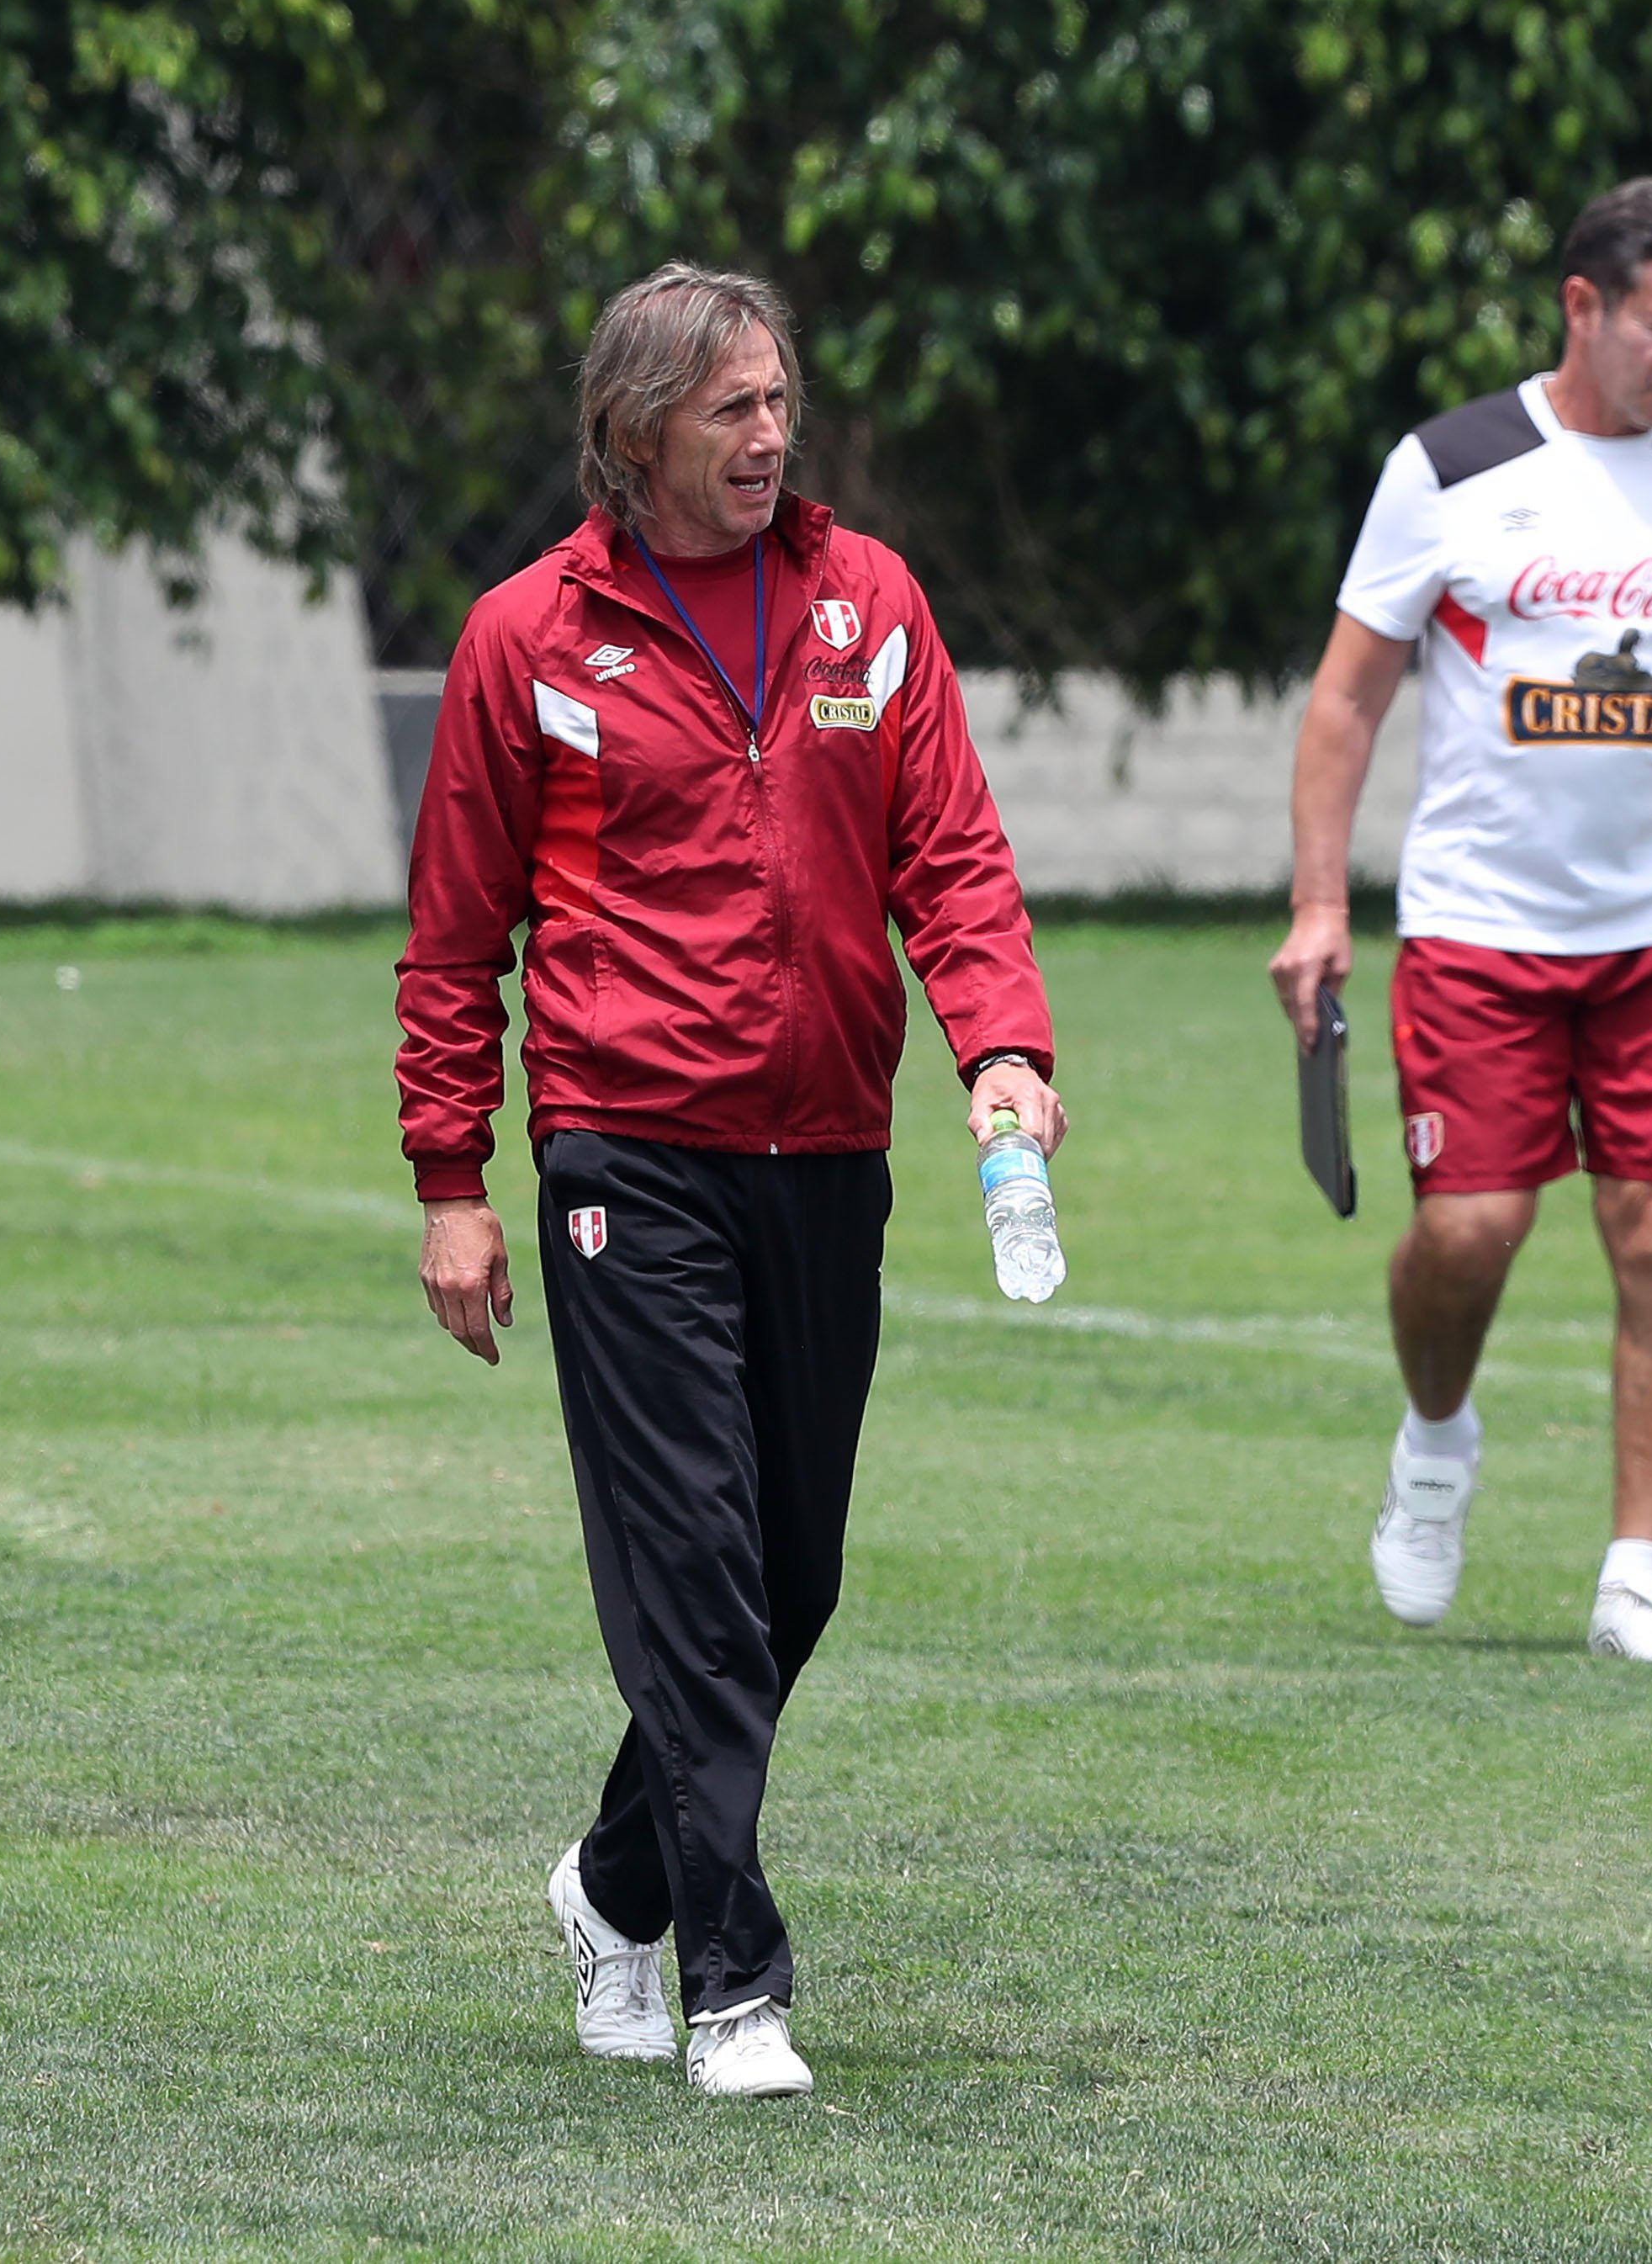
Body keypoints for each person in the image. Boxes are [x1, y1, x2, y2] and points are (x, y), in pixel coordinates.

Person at [397, 262, 1062, 2098]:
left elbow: (955, 860)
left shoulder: (871, 607)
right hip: (626, 1148)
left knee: (790, 1575)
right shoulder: (525, 637)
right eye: (731, 409)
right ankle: (733, 1980)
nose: (771, 435)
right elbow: (455, 943)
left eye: (780, 400)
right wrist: (451, 1176)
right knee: (693, 1563)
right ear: (636, 433)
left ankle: (610, 1883)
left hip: (828, 1149)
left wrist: (1001, 1043)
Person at [1267, 178, 1652, 1662]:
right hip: (1478, 926)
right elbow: (1346, 696)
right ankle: (1437, 1438)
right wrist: (1320, 900)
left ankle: (1638, 1574)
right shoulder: (1449, 466)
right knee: (1470, 1227)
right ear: (1582, 305)